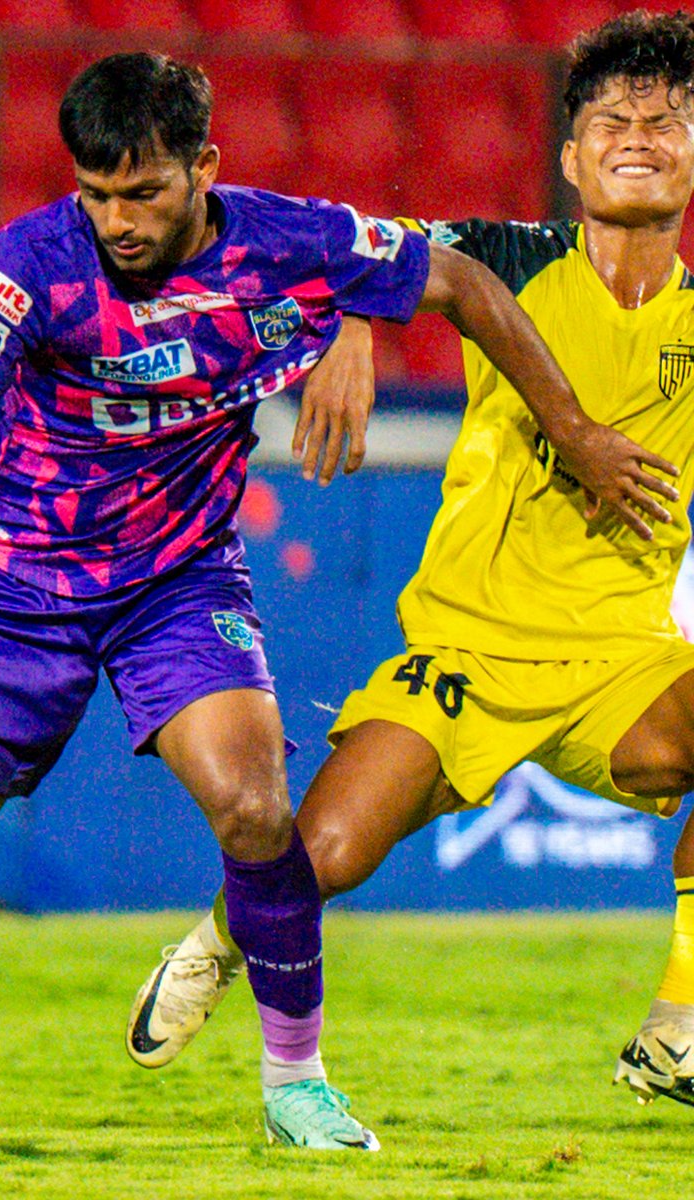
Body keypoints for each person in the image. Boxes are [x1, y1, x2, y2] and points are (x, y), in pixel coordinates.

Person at [0, 50, 673, 1151]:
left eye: (142, 193)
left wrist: (555, 423)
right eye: (97, 195)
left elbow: (454, 281)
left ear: (205, 168)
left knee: (257, 811)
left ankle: (296, 1084)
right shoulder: (29, 264)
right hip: (14, 586)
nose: (118, 221)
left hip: (179, 581)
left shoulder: (289, 243)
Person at [125, 9, 694, 1144]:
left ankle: (677, 1025)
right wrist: (353, 329)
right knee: (321, 855)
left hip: (623, 661)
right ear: (572, 159)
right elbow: (361, 247)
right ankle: (221, 939)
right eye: (612, 119)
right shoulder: (518, 259)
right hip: (470, 654)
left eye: (669, 118)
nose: (641, 133)